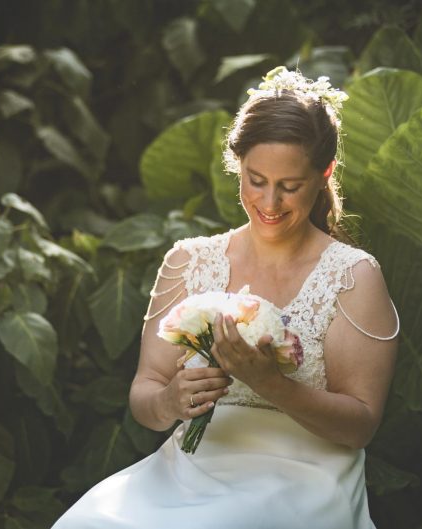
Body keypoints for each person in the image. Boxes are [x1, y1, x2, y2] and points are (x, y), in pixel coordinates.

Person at [52, 67, 399, 529]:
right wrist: (171, 401)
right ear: (238, 165)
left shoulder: (353, 275)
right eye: (256, 180)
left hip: (304, 474)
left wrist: (272, 383)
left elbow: (360, 425)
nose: (270, 202)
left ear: (324, 175)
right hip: (196, 465)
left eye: (290, 186)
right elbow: (146, 390)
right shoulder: (189, 261)